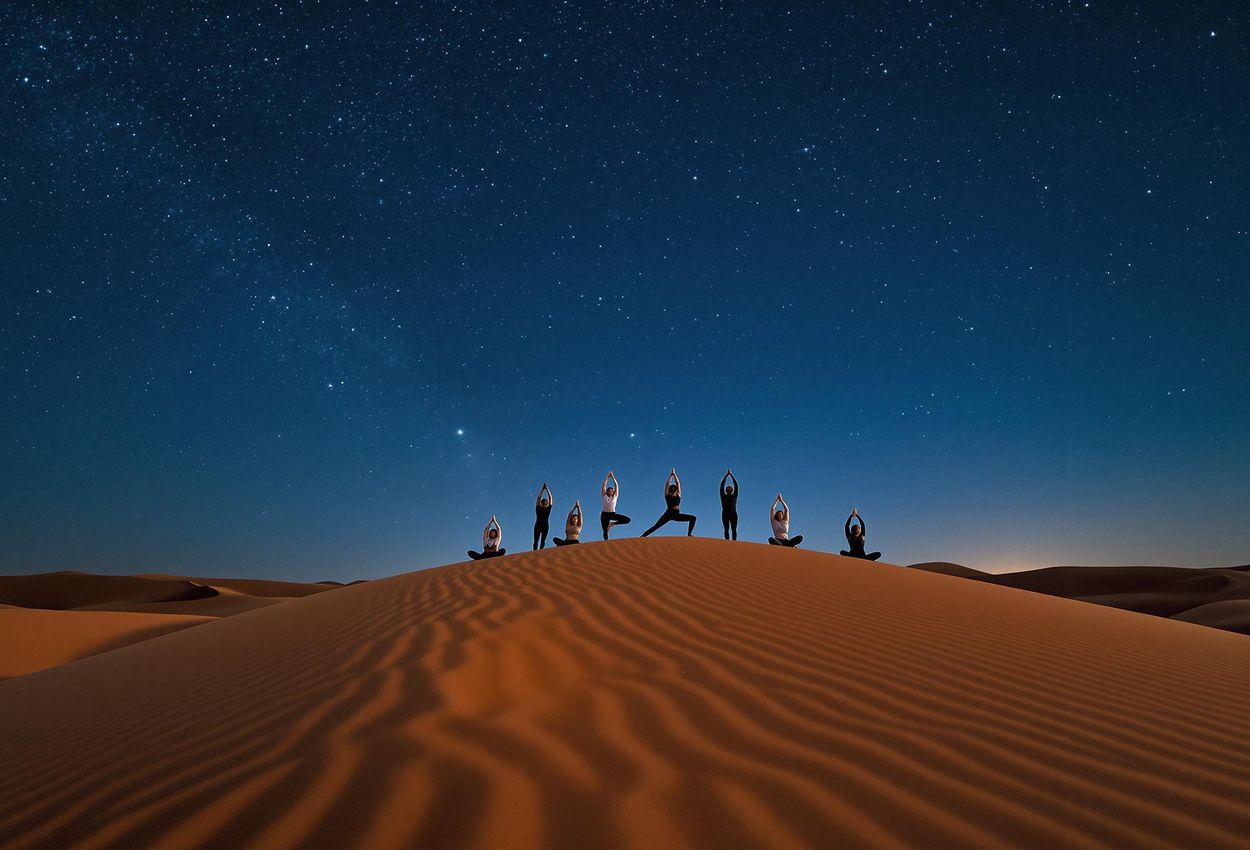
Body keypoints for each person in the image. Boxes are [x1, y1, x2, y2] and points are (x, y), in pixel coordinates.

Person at [642, 468, 697, 537]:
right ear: (670, 490)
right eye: (672, 489)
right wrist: (671, 475)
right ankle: (643, 536)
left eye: (674, 489)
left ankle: (689, 534)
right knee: (656, 526)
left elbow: (678, 483)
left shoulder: (678, 495)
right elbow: (667, 484)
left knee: (693, 518)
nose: (673, 490)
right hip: (668, 513)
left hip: (676, 514)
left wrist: (675, 475)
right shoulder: (667, 495)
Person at [600, 471, 631, 540]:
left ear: (613, 492)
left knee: (627, 520)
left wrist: (613, 477)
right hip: (604, 515)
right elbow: (604, 485)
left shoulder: (615, 497)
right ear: (607, 491)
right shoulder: (604, 496)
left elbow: (616, 486)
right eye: (609, 490)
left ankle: (612, 524)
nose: (610, 491)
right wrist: (608, 476)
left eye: (612, 490)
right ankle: (606, 543)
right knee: (605, 531)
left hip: (612, 514)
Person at [719, 468, 739, 540]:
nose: (729, 489)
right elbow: (722, 486)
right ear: (726, 490)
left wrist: (729, 475)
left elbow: (736, 486)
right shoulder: (723, 496)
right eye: (728, 488)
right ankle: (727, 542)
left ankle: (734, 543)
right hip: (725, 514)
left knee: (733, 530)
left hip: (733, 514)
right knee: (726, 529)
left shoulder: (734, 495)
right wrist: (728, 476)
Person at [533, 483, 553, 550]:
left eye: (545, 502)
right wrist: (542, 489)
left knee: (543, 541)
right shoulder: (538, 508)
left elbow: (550, 498)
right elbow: (538, 498)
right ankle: (534, 552)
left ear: (547, 503)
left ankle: (541, 551)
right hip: (538, 525)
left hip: (545, 526)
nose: (544, 503)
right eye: (543, 502)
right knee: (536, 541)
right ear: (541, 503)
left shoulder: (548, 509)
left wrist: (546, 489)